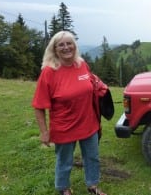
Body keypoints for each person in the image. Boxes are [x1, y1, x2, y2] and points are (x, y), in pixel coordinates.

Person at [32, 31, 107, 195]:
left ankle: (92, 186)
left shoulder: (82, 64)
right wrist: (44, 132)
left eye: (69, 43)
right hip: (64, 126)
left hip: (89, 123)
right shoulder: (49, 72)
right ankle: (63, 189)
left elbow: (91, 85)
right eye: (61, 44)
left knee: (92, 158)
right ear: (55, 49)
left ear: (75, 46)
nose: (66, 47)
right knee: (64, 161)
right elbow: (39, 105)